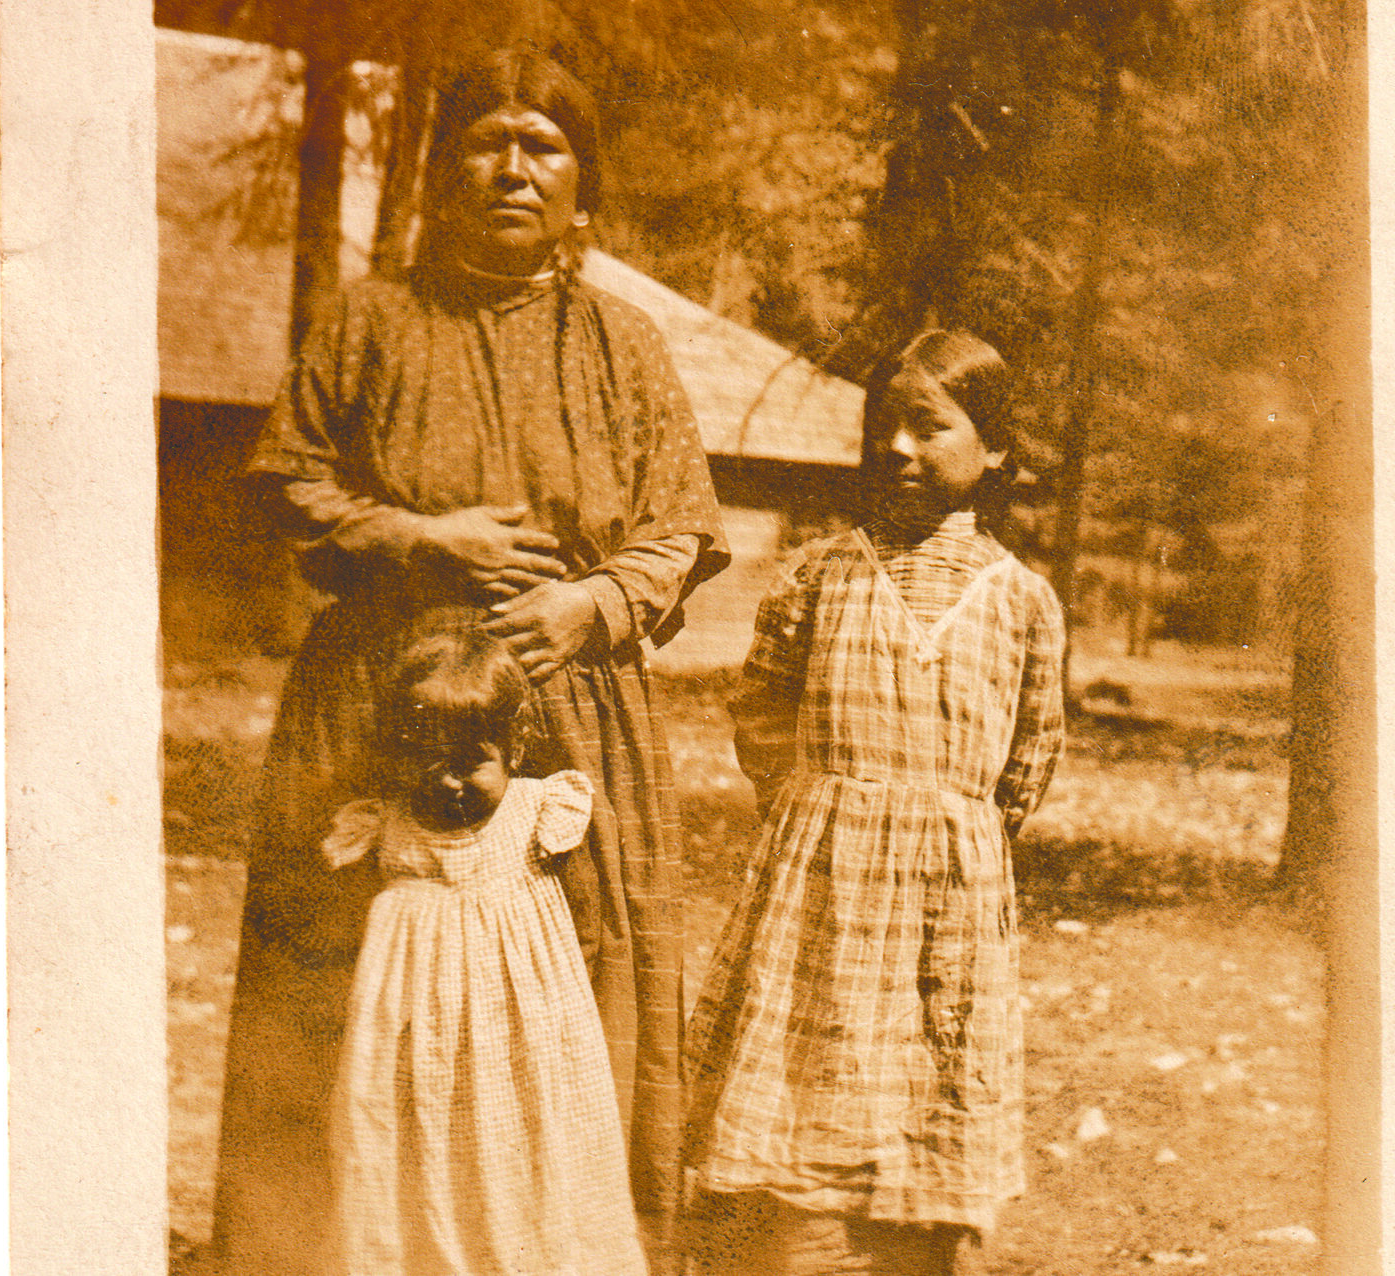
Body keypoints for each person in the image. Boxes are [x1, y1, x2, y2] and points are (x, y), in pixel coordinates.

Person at [210, 46, 728, 1275]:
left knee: (575, 980)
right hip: (376, 701)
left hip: (574, 712)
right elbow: (282, 479)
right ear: (442, 175)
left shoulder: (624, 344)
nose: (511, 166)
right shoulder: (373, 323)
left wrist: (593, 602)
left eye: (541, 145)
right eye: (485, 142)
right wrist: (413, 534)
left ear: (580, 186)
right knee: (349, 970)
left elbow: (685, 525)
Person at [682, 330, 1066, 1275]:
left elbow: (1030, 755)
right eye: (884, 426)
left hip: (951, 892)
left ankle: (917, 1247)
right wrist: (829, 813)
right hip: (821, 884)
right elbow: (762, 715)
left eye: (929, 427)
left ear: (997, 449)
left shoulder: (1023, 600)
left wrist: (949, 827)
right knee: (805, 1089)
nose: (898, 447)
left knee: (924, 1084)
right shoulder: (819, 574)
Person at [323, 611, 644, 1275]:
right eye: (429, 763)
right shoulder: (384, 826)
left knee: (520, 1142)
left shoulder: (540, 814)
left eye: (471, 765)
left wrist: (554, 1012)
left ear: (515, 750)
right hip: (413, 1043)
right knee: (416, 1142)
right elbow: (352, 937)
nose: (449, 783)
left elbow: (586, 923)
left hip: (521, 1031)